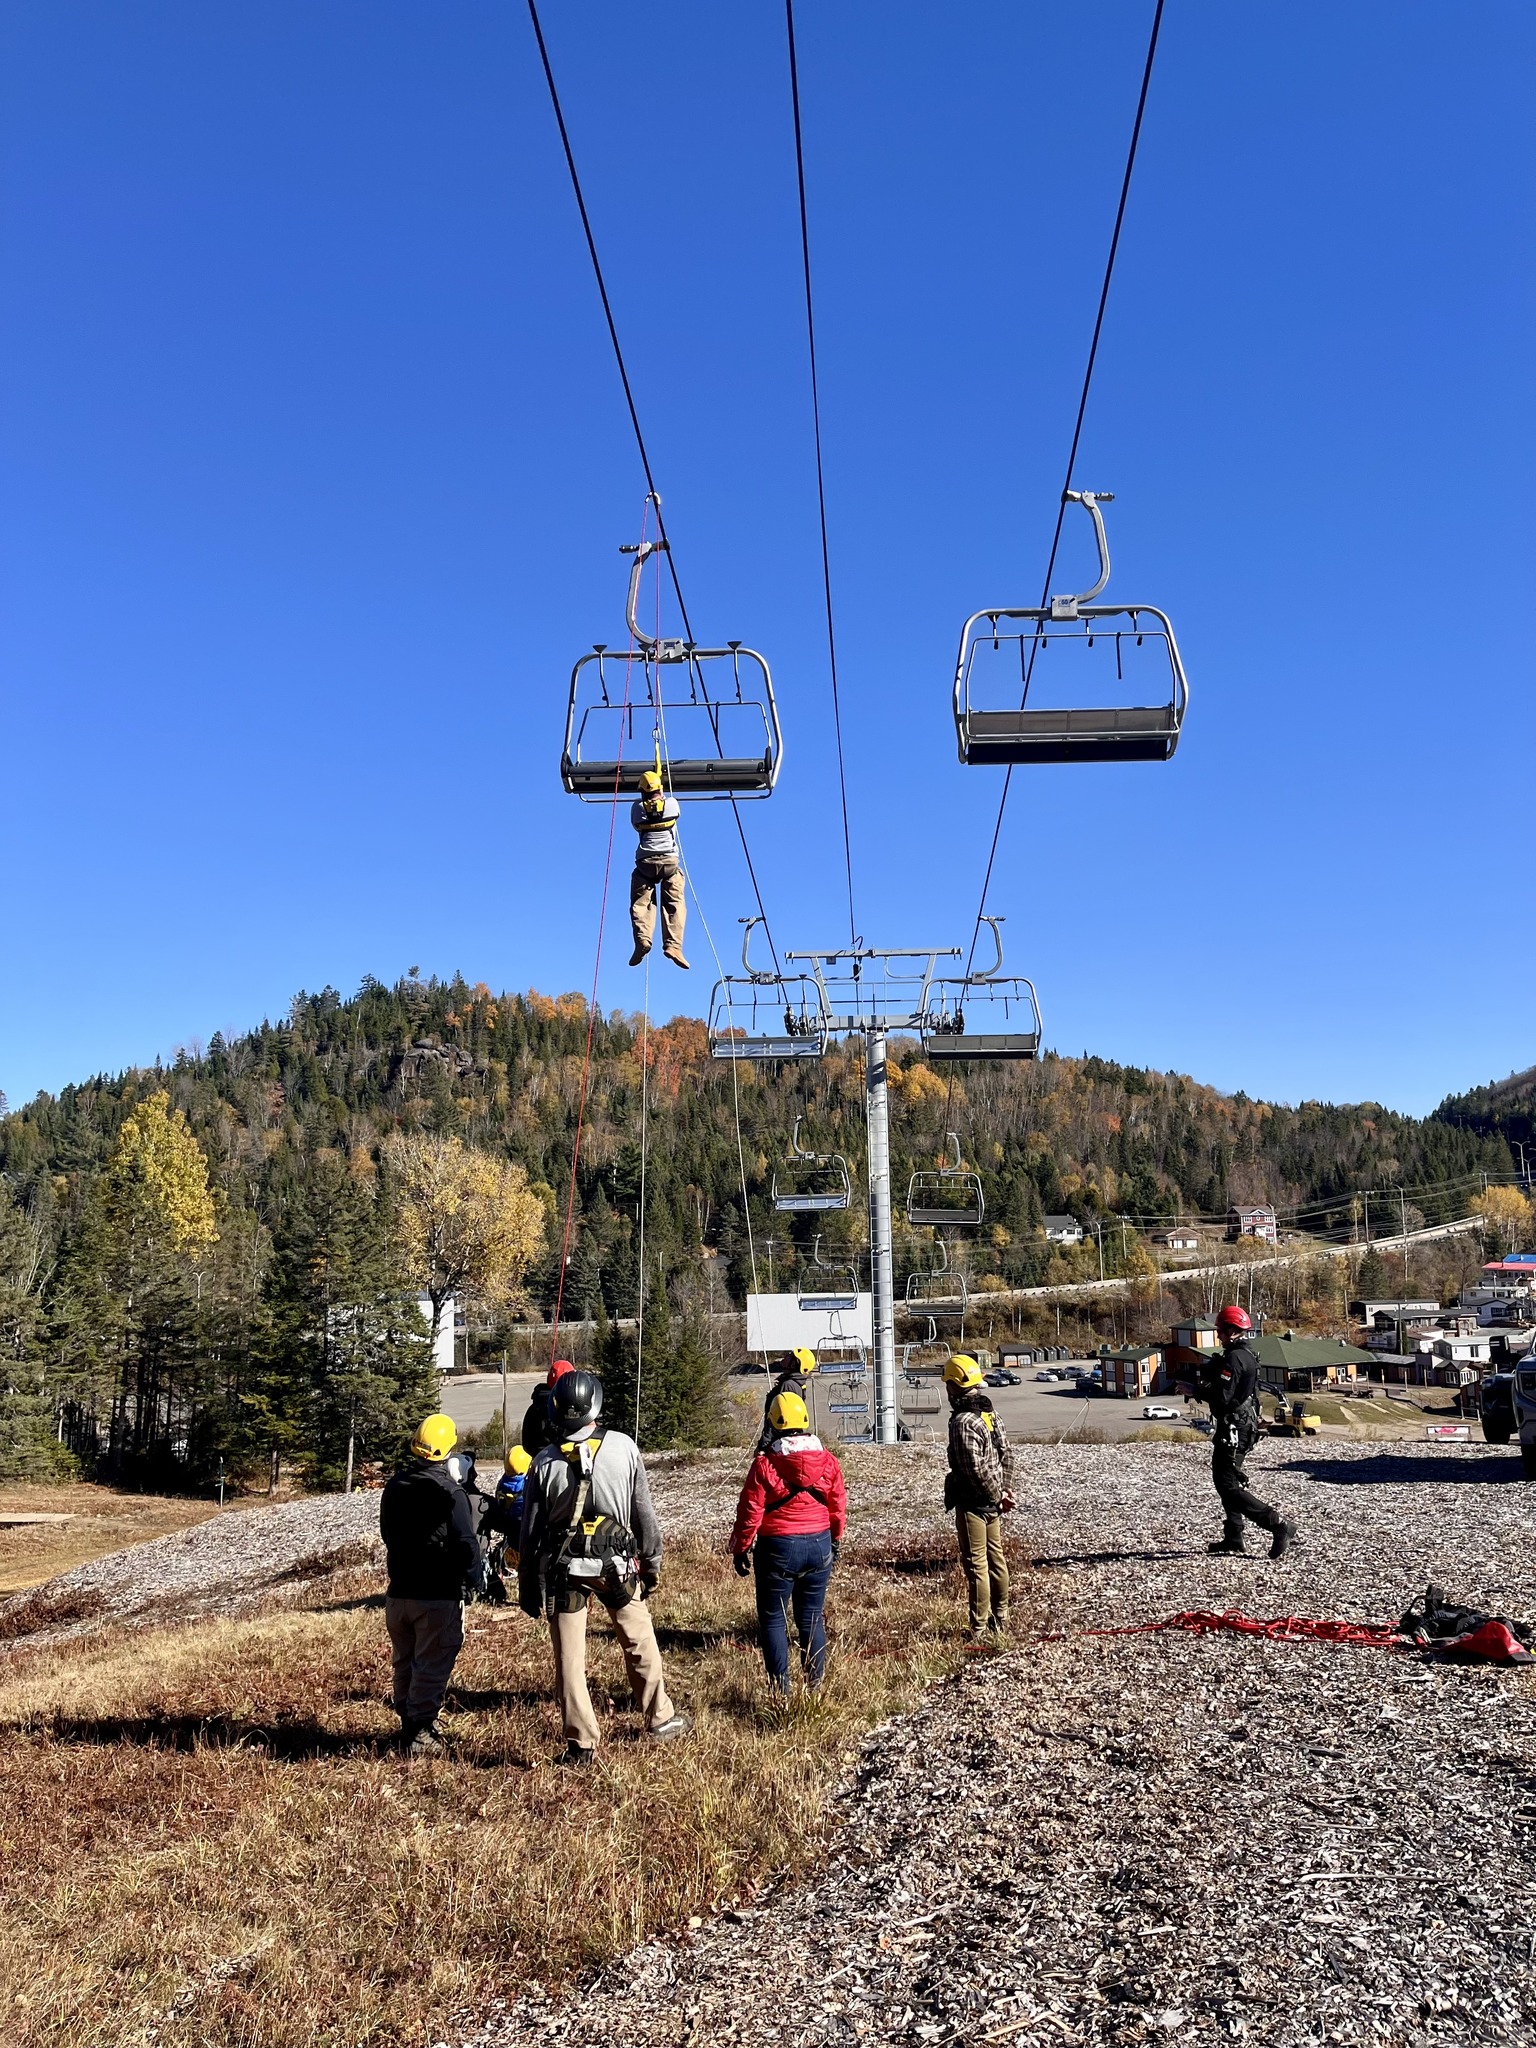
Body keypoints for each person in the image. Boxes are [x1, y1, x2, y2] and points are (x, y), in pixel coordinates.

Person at [518, 1368, 692, 1764]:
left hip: (564, 1571)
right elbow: (643, 1513)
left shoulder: (544, 1462)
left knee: (569, 1658)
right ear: (595, 1404)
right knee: (639, 1640)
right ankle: (660, 1718)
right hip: (617, 1566)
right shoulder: (623, 1448)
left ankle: (580, 1743)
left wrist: (529, 1581)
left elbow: (529, 1532)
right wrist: (652, 1563)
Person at [379, 1412, 486, 1756]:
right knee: (432, 1663)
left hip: (398, 1593)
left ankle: (408, 1725)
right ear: (447, 1452)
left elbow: (387, 1534)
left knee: (405, 1661)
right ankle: (421, 1734)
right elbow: (467, 1543)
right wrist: (473, 1577)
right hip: (437, 1595)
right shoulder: (450, 1494)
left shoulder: (395, 1486)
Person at [729, 1387, 848, 1695]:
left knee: (773, 1620)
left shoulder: (765, 1464)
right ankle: (815, 1686)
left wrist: (741, 1548)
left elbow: (750, 1512)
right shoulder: (828, 1462)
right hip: (819, 1544)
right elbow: (838, 1505)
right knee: (811, 1618)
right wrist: (835, 1539)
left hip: (778, 1548)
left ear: (773, 1423)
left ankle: (781, 1691)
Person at [1200, 1305, 1295, 1559]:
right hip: (1242, 1426)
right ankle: (1233, 1536)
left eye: (1220, 1330)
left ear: (1232, 1331)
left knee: (1227, 1484)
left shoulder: (1234, 1359)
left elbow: (1222, 1400)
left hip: (1234, 1429)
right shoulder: (1247, 1354)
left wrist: (1195, 1391)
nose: (1218, 1335)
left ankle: (1278, 1524)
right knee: (1226, 1481)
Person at [943, 1354, 1015, 1641]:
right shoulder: (989, 1413)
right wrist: (1005, 1492)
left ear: (952, 1386)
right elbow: (1007, 1454)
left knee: (977, 1566)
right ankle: (1002, 1617)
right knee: (996, 1560)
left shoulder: (962, 1422)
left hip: (974, 1503)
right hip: (994, 1501)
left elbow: (973, 1469)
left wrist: (997, 1496)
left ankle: (979, 1629)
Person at [628, 768, 688, 969]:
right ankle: (673, 945)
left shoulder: (637, 809)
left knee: (641, 902)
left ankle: (642, 940)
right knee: (674, 902)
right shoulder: (672, 805)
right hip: (670, 861)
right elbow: (663, 798)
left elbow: (638, 818)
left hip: (645, 862)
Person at [756, 1346, 819, 1451]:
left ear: (795, 1363)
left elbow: (780, 1419)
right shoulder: (794, 1384)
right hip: (785, 1441)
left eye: (791, 1355)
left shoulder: (788, 1385)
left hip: (780, 1442)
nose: (786, 1356)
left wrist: (764, 1446)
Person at [519, 1358, 575, 1459]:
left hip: (536, 1461)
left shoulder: (534, 1407)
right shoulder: (562, 1408)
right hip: (557, 1461)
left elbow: (527, 1443)